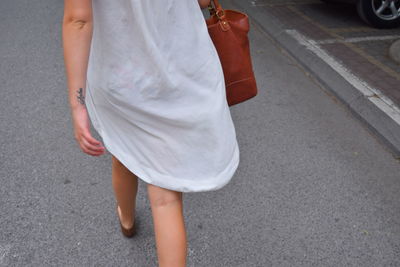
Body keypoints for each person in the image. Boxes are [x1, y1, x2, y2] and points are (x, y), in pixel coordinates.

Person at [62, 0, 239, 266]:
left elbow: (78, 20)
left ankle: (127, 219)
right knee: (165, 198)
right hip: (181, 70)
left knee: (123, 150)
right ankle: (129, 218)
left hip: (121, 78)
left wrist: (77, 104)